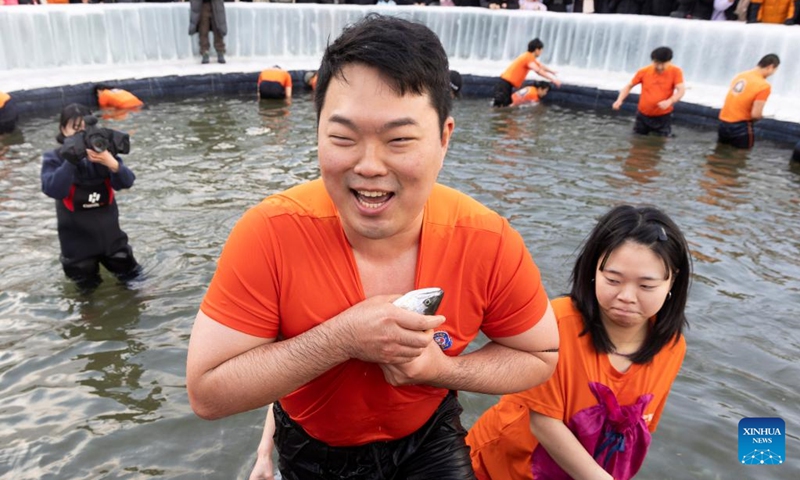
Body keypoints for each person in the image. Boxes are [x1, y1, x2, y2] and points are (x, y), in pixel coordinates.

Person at [187, 14, 559, 480]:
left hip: (428, 435)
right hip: (311, 444)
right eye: (343, 138)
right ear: (317, 131)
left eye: (399, 140)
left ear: (444, 139)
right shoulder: (270, 232)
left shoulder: (487, 239)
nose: (368, 166)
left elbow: (540, 356)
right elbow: (206, 393)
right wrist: (341, 339)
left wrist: (439, 370)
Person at [467, 204, 692, 480]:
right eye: (613, 279)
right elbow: (544, 423)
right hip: (502, 468)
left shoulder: (671, 346)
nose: (627, 296)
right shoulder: (558, 322)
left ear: (672, 282)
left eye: (646, 286)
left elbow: (641, 428)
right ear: (593, 269)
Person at [40, 104, 140, 290]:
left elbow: (126, 182)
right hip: (77, 248)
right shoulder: (54, 157)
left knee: (136, 287)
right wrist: (71, 161)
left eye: (85, 129)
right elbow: (53, 189)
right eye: (75, 129)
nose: (81, 134)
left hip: (112, 242)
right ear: (63, 130)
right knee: (87, 299)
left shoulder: (104, 154)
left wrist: (113, 164)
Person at [612, 47, 685, 137]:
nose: (659, 67)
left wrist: (670, 101)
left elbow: (681, 90)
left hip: (663, 115)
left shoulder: (676, 72)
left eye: (663, 64)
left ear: (670, 61)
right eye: (656, 63)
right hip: (643, 115)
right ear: (652, 61)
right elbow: (628, 86)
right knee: (637, 139)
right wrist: (619, 100)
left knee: (660, 141)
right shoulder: (644, 71)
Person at [718, 54, 780, 149]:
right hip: (740, 127)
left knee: (720, 151)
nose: (773, 74)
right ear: (770, 67)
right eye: (774, 71)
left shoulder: (740, 76)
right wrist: (761, 117)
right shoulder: (764, 86)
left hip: (723, 122)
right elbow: (755, 114)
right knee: (740, 158)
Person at [493, 39, 561, 108]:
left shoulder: (528, 57)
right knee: (499, 108)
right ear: (537, 50)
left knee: (504, 108)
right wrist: (553, 80)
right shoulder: (528, 58)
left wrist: (552, 72)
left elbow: (541, 66)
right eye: (541, 50)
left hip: (505, 85)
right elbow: (538, 70)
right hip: (504, 85)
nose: (541, 52)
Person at [188, 0, 227, 64]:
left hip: (216, 3)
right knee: (203, 30)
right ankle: (204, 52)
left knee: (218, 28)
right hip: (202, 5)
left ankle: (220, 51)